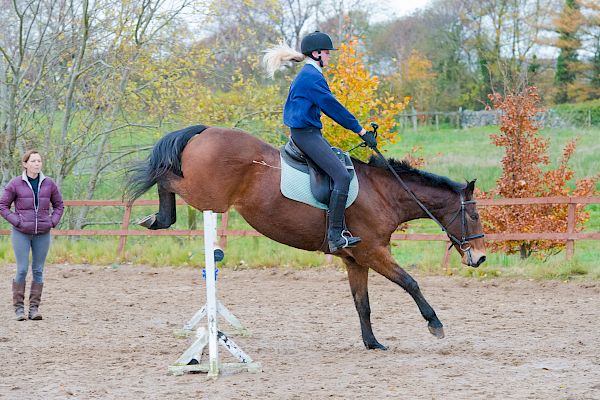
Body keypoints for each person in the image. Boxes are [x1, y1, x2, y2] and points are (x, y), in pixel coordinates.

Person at [263, 31, 378, 252]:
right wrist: (361, 131)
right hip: (306, 135)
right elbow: (333, 108)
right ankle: (335, 235)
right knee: (342, 176)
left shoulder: (311, 74)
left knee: (341, 169)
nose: (329, 57)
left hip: (310, 133)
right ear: (316, 54)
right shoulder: (310, 77)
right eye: (327, 53)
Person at [0, 150, 64, 321]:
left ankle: (34, 309)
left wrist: (52, 222)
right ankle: (19, 310)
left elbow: (59, 205)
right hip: (21, 233)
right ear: (25, 164)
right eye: (33, 161)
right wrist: (17, 221)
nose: (37, 163)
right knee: (22, 269)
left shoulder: (49, 184)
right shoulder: (15, 184)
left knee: (38, 270)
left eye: (39, 161)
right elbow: (3, 205)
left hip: (42, 233)